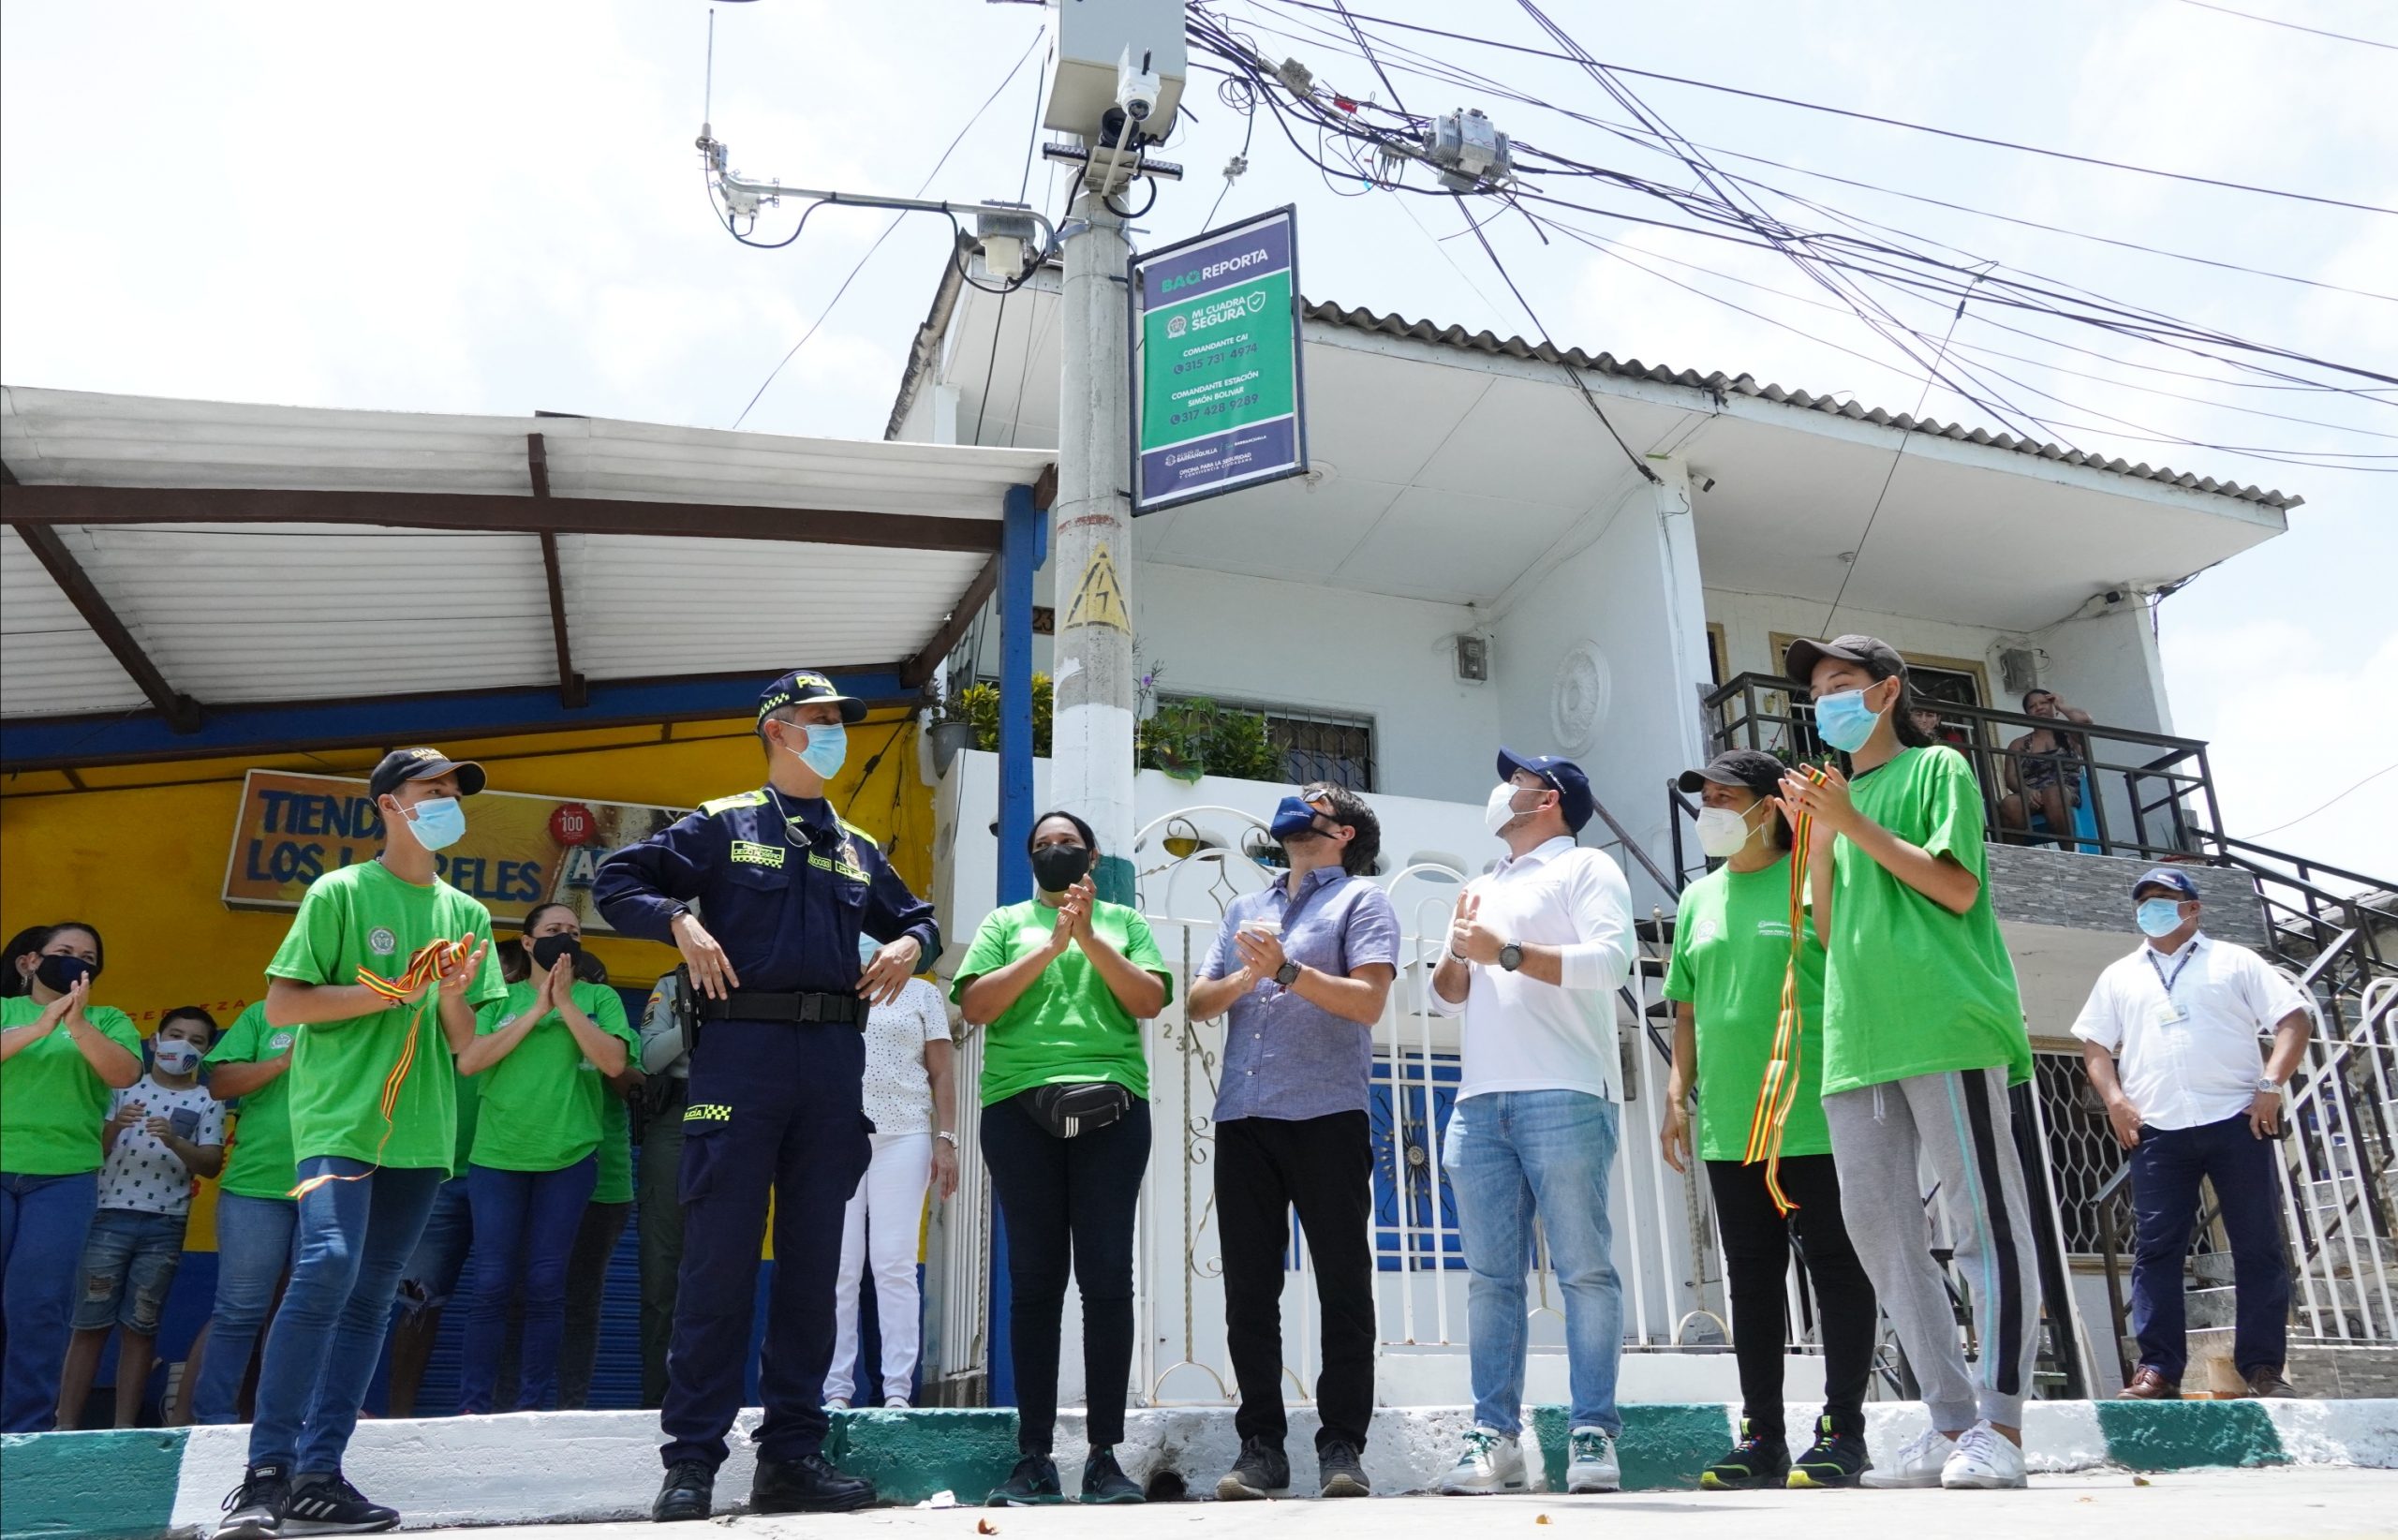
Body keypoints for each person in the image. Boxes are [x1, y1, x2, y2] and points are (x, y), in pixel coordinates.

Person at [594, 670, 939, 1521]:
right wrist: (679, 919)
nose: (835, 733)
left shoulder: (857, 846)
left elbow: (918, 917)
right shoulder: (722, 824)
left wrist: (912, 948)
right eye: (820, 721)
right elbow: (615, 881)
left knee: (815, 1270)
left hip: (831, 1061)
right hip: (738, 1057)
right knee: (718, 1264)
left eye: (839, 722)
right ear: (779, 731)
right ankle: (691, 1462)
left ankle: (791, 1455)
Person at [216, 748, 503, 1540]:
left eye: (452, 791)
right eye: (430, 789)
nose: (445, 800)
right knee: (328, 1267)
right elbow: (283, 1006)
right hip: (338, 1121)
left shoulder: (467, 914)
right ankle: (265, 1473)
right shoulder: (339, 891)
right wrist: (392, 989)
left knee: (375, 1296)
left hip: (424, 1132)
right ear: (387, 804)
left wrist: (448, 996)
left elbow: (469, 1045)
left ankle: (320, 1475)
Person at [1776, 636, 2039, 1492]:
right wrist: (1819, 831)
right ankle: (1951, 1419)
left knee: (1980, 1225)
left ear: (1888, 692)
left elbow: (1955, 887)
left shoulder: (1939, 772)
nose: (1828, 703)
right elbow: (1822, 925)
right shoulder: (1837, 803)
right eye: (1819, 691)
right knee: (1881, 1233)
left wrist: (1850, 820)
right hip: (1860, 1041)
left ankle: (2000, 1422)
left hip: (1944, 1025)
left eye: (1844, 685)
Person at [1660, 752, 1876, 1490]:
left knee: (1838, 1274)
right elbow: (1686, 1010)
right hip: (1730, 1124)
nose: (1709, 810)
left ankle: (1844, 1430)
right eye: (1704, 799)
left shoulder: (1813, 878)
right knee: (1752, 1284)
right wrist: (1674, 1090)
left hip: (1815, 1115)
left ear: (1767, 807)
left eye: (1726, 797)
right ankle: (1762, 1437)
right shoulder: (1699, 899)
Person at [1428, 752, 1636, 1498]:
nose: (1502, 790)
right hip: (1479, 1101)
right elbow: (1450, 995)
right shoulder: (1482, 882)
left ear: (1548, 799)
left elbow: (1612, 961)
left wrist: (1507, 953)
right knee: (1491, 1280)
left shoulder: (1585, 869)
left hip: (1566, 1092)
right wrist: (1460, 955)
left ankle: (1591, 1433)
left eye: (1517, 781)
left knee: (1584, 1271)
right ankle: (1495, 1437)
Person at [955, 810, 1171, 1508]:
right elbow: (979, 1008)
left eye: (1067, 844)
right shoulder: (1002, 925)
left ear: (1094, 856)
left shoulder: (1125, 923)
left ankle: (1105, 1456)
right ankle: (1035, 1457)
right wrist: (1050, 946)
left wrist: (1088, 939)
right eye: (1043, 846)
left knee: (1108, 1276)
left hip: (1114, 1108)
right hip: (1018, 1108)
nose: (1055, 852)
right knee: (1036, 1281)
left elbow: (1148, 998)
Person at [1189, 786, 1398, 1502]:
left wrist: (1285, 970)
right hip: (1243, 1116)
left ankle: (1342, 1445)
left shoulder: (1363, 903)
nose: (1294, 808)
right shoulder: (1245, 909)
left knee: (1342, 1284)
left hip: (1326, 1114)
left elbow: (1368, 1002)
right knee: (1250, 1289)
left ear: (1342, 833)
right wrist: (1248, 974)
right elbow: (1197, 1001)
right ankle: (1261, 1449)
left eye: (1313, 804)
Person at [2072, 867, 2312, 1401]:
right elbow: (2094, 1046)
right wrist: (2115, 1101)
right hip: (2158, 1130)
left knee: (2257, 1246)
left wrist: (2270, 1084)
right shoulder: (2119, 975)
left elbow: (2294, 1020)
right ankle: (2158, 1369)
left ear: (2193, 908)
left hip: (2237, 1119)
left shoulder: (2235, 960)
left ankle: (2263, 1368)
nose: (2151, 908)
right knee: (2156, 1250)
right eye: (2143, 901)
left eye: (2164, 899)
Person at [453, 903, 636, 1414]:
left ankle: (532, 1404)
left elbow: (614, 1062)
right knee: (490, 1283)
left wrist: (566, 1005)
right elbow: (470, 1060)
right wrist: (537, 1009)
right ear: (529, 943)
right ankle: (473, 1405)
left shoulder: (600, 998)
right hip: (497, 1157)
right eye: (554, 931)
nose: (566, 939)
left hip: (569, 1158)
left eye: (574, 933)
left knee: (546, 1284)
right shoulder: (497, 997)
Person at [0, 921, 141, 1431]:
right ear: (30, 962)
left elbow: (124, 1074)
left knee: (37, 1306)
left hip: (63, 1179)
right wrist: (41, 1026)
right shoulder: (6, 1011)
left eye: (88, 955)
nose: (77, 960)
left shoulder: (110, 1019)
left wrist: (77, 1025)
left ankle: (25, 1431)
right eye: (64, 951)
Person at [58, 1006, 227, 1429]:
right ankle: (63, 1424)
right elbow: (89, 1149)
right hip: (106, 1217)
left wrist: (174, 1140)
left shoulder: (207, 1100)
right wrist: (115, 1126)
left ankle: (124, 1427)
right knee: (88, 1323)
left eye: (196, 1040)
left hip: (165, 1224)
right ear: (154, 1040)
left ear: (206, 1052)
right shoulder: (121, 1087)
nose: (183, 1045)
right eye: (175, 1034)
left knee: (142, 1326)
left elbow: (210, 1163)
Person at [823, 934, 957, 1412]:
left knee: (894, 1264)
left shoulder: (923, 993)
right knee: (838, 1267)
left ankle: (898, 1389)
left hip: (904, 1136)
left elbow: (942, 1071)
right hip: (836, 1136)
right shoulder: (831, 981)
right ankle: (836, 1389)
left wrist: (947, 1138)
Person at [193, 1000, 303, 1425]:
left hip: (337, 1181)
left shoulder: (364, 1011)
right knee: (239, 1309)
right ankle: (213, 1422)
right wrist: (283, 1061)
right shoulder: (265, 1013)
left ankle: (288, 1420)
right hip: (257, 1183)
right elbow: (220, 1083)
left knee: (309, 1313)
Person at [383, 1058, 481, 1417]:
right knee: (416, 1300)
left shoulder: (527, 1001)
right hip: (433, 1168)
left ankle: (490, 1411)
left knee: (503, 1297)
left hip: (512, 1168)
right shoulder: (435, 1000)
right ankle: (399, 1419)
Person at [632, 971, 690, 1409]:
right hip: (678, 1117)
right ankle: (658, 1400)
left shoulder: (764, 977)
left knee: (727, 1275)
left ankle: (713, 1397)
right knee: (661, 1272)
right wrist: (698, 1017)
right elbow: (650, 1057)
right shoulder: (675, 985)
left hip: (742, 1120)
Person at [1996, 689, 2094, 846]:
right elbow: (2011, 777)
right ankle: (2015, 858)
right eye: (2032, 706)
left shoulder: (2069, 735)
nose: (2039, 707)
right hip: (2032, 795)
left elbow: (2085, 720)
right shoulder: (2019, 744)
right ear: (2027, 714)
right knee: (2009, 803)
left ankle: (2069, 854)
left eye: (2044, 703)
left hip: (2066, 791)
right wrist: (2027, 791)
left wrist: (2061, 705)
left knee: (2053, 793)